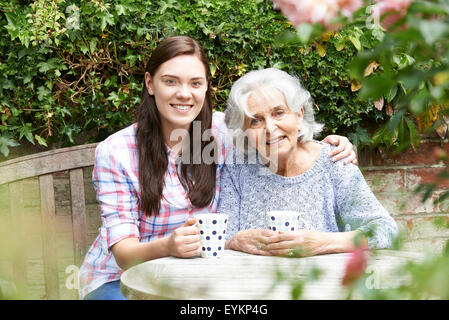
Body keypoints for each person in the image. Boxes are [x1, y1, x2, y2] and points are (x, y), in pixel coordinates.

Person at [78, 36, 357, 300]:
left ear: (206, 87)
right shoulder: (117, 152)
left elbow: (277, 135)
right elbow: (124, 254)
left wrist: (330, 145)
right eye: (171, 81)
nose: (184, 94)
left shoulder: (224, 131)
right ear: (150, 84)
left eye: (195, 83)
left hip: (201, 275)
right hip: (120, 279)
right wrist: (168, 246)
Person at [219, 68, 398, 257]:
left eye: (279, 113)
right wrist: (233, 242)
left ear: (299, 115)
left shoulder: (334, 162)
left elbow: (386, 230)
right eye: (256, 121)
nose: (270, 128)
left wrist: (323, 242)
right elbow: (222, 238)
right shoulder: (237, 168)